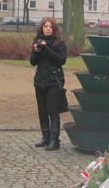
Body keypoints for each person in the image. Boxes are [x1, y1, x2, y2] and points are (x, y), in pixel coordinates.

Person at [30, 17, 67, 151]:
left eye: (50, 27)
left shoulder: (59, 42)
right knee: (42, 110)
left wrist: (46, 49)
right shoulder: (38, 40)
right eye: (45, 26)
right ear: (42, 28)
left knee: (52, 109)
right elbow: (33, 62)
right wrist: (36, 51)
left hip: (54, 79)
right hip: (40, 79)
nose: (48, 29)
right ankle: (45, 136)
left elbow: (61, 60)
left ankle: (54, 139)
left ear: (54, 29)